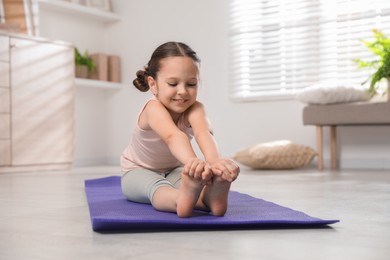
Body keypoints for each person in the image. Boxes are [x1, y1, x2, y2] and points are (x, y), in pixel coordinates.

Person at [120, 41, 240, 218]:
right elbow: (173, 136)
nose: (183, 91)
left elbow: (203, 133)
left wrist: (215, 163)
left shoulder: (196, 108)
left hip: (175, 169)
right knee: (158, 188)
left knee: (191, 182)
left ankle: (210, 198)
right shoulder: (153, 109)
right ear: (153, 84)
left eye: (191, 84)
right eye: (173, 84)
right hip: (138, 170)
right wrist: (193, 162)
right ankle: (180, 200)